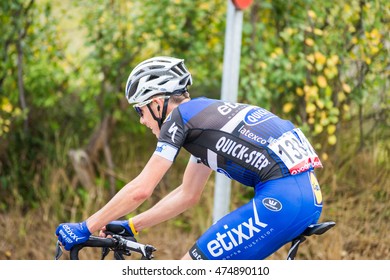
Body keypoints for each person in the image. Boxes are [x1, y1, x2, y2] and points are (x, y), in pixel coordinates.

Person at [56, 56, 324, 260]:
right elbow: (187, 193)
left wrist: (86, 225)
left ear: (158, 103)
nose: (142, 121)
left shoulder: (180, 118)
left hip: (280, 200)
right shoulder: (205, 121)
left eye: (140, 111)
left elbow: (141, 189)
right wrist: (132, 226)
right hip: (307, 197)